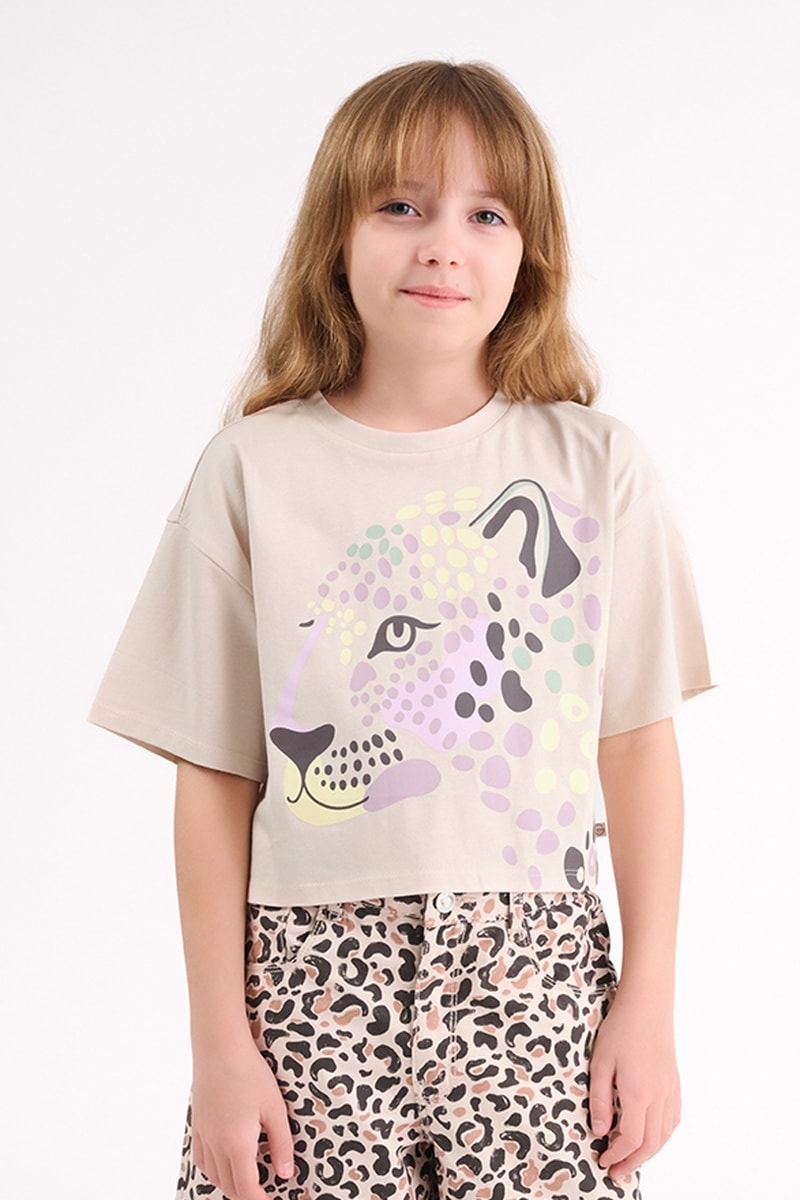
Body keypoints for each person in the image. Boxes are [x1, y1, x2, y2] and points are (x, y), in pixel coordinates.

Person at [88, 60, 713, 1200]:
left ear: (531, 253)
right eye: (400, 205)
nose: (441, 246)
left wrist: (650, 1002)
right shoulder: (250, 470)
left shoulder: (596, 469)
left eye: (486, 214)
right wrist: (220, 1049)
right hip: (306, 980)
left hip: (535, 979)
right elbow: (215, 776)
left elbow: (634, 745)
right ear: (336, 235)